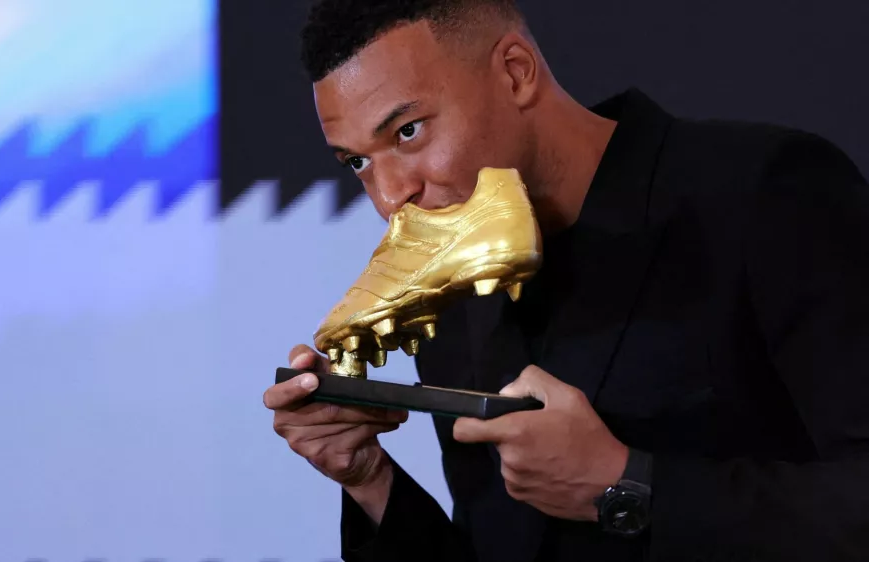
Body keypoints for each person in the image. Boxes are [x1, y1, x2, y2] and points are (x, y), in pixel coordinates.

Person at [261, 0, 869, 560]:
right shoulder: (453, 299)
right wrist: (371, 481)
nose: (391, 198)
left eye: (408, 131)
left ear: (517, 71)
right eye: (359, 161)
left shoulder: (764, 192)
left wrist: (627, 484)